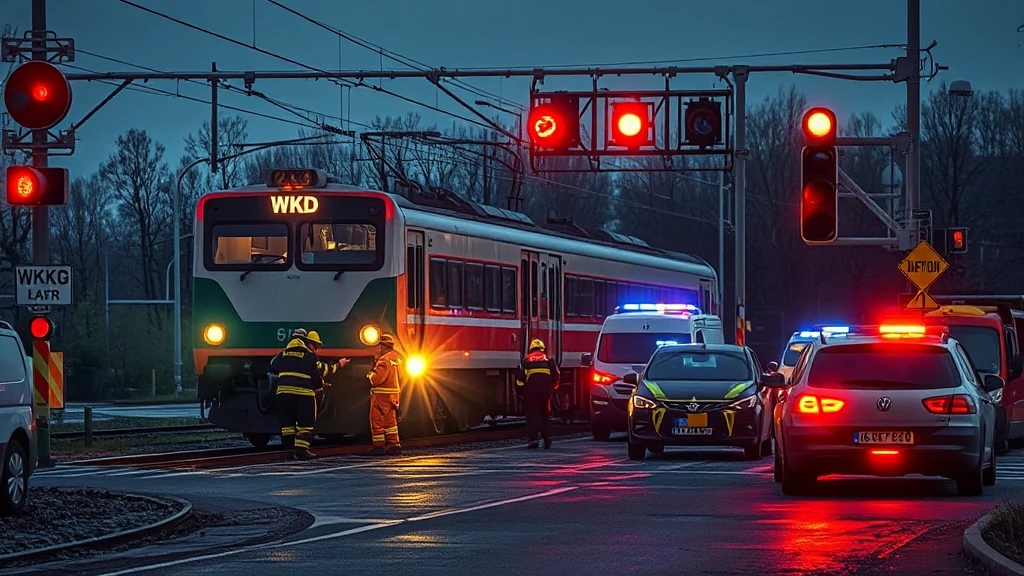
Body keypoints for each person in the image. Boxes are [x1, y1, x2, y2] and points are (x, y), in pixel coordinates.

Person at [271, 329, 349, 460]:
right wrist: (337, 366)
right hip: (304, 394)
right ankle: (301, 451)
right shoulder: (309, 357)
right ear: (306, 342)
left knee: (287, 424)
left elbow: (273, 366)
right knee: (306, 423)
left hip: (283, 393)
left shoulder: (282, 355)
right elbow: (321, 371)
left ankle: (289, 449)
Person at [516, 338, 560, 449]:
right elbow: (556, 378)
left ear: (530, 349)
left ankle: (533, 440)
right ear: (543, 349)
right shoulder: (548, 360)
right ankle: (547, 440)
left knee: (532, 416)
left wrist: (521, 392)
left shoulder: (526, 361)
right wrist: (552, 391)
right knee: (545, 415)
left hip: (530, 393)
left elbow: (520, 381)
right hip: (546, 393)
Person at [366, 333, 403, 456]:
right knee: (390, 421)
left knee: (376, 420)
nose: (377, 349)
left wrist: (370, 375)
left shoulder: (384, 360)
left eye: (379, 346)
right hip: (394, 394)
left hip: (381, 395)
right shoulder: (398, 358)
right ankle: (394, 444)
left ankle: (379, 446)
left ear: (383, 346)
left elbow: (377, 379)